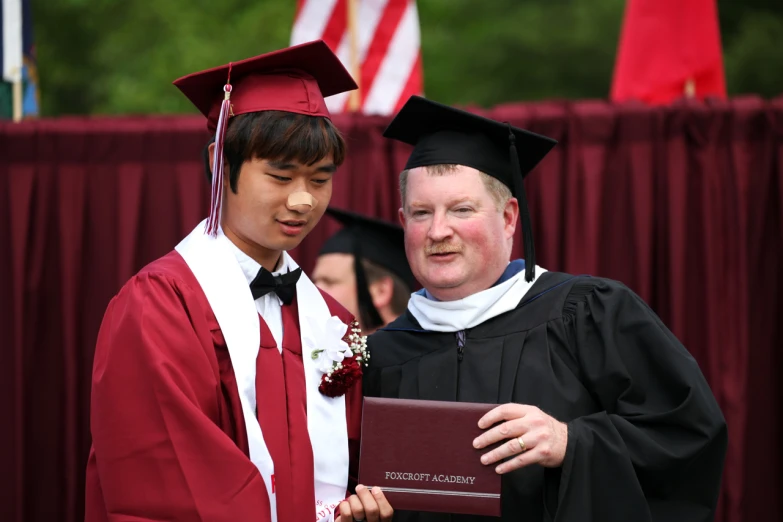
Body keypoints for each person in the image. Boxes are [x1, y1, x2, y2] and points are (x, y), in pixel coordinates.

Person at [364, 95, 727, 521]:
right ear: (404, 223)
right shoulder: (380, 355)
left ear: (508, 218)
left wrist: (571, 442)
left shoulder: (589, 314)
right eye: (422, 212)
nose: (438, 230)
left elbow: (689, 437)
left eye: (462, 209)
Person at [85, 41, 392, 522]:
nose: (303, 201)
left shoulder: (331, 321)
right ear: (219, 162)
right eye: (280, 175)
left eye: (319, 179)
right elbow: (171, 479)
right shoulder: (163, 305)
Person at [313, 207, 416, 334]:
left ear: (381, 291)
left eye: (329, 282)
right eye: (315, 282)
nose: (314, 292)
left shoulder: (428, 352)